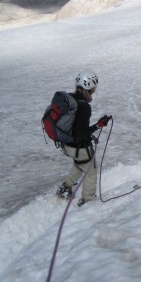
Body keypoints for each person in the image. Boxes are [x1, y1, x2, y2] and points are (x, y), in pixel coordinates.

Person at [56, 69, 111, 207]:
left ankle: (65, 187)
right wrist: (97, 127)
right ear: (90, 87)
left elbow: (76, 127)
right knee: (91, 170)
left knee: (80, 164)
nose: (95, 89)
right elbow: (82, 133)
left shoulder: (71, 99)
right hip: (78, 147)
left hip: (66, 144)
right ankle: (88, 200)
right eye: (94, 86)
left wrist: (96, 126)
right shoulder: (84, 107)